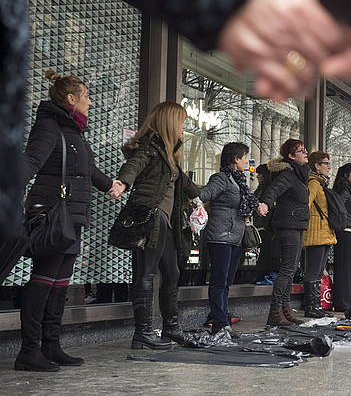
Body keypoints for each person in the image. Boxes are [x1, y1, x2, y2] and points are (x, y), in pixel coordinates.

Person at [16, 71, 119, 372]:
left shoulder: (75, 131)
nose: (90, 101)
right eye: (86, 95)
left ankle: (51, 345)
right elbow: (32, 161)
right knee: (44, 280)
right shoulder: (50, 126)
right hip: (51, 214)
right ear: (71, 99)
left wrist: (111, 185)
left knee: (60, 282)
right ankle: (29, 350)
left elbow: (88, 169)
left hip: (71, 216)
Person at [112, 102, 201, 349]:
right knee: (146, 273)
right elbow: (134, 164)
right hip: (151, 216)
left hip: (167, 221)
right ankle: (143, 333)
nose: (184, 127)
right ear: (171, 122)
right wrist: (122, 182)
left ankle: (171, 328)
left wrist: (211, 195)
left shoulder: (170, 154)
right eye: (182, 121)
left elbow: (188, 186)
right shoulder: (150, 147)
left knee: (172, 273)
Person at [198, 142, 258, 334]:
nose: (247, 161)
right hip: (220, 235)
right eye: (244, 157)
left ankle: (223, 319)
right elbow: (204, 194)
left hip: (235, 236)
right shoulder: (221, 178)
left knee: (227, 282)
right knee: (219, 280)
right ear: (235, 159)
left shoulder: (240, 181)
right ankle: (219, 322)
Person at [257, 139, 310, 326]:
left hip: (296, 223)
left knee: (291, 269)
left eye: (305, 150)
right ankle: (274, 312)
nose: (306, 153)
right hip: (288, 224)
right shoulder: (288, 173)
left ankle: (285, 311)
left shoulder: (299, 174)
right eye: (301, 151)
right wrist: (265, 203)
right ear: (291, 156)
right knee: (287, 269)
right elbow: (273, 191)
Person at [302, 151, 336, 318]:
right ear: (317, 165)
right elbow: (306, 205)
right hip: (316, 232)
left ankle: (315, 306)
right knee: (313, 270)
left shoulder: (321, 183)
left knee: (318, 270)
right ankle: (311, 307)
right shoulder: (314, 183)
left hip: (324, 232)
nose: (329, 167)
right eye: (326, 163)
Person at [331, 163, 351, 312]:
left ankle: (348, 301)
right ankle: (342, 302)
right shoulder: (343, 189)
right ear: (346, 175)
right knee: (345, 267)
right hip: (345, 230)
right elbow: (340, 208)